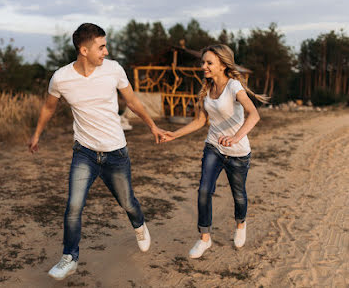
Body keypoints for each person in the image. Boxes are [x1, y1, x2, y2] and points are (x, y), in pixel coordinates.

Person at [28, 23, 165, 280]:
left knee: (127, 202)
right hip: (85, 153)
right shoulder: (61, 78)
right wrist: (37, 134)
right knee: (74, 205)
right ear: (84, 50)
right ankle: (69, 257)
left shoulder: (113, 69)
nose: (106, 51)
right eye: (101, 47)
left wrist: (153, 126)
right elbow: (48, 108)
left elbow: (132, 101)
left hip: (116, 153)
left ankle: (139, 225)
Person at [162, 44, 268, 259]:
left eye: (209, 63)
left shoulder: (234, 86)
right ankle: (205, 238)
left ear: (222, 64)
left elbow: (254, 114)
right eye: (203, 62)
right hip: (213, 147)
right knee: (203, 191)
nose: (204, 66)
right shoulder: (206, 87)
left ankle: (240, 225)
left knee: (238, 195)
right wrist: (175, 134)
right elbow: (200, 121)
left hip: (238, 152)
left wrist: (236, 137)